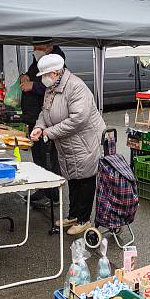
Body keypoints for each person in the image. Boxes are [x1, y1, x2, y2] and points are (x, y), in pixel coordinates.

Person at [31, 54, 106, 236]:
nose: (43, 79)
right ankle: (73, 215)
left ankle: (84, 219)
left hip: (84, 141)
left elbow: (78, 119)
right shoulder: (53, 87)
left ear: (56, 73)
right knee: (73, 178)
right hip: (67, 142)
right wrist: (39, 127)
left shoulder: (75, 86)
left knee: (85, 179)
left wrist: (49, 132)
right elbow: (45, 111)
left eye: (45, 75)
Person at [20, 38, 67, 209]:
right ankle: (42, 188)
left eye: (38, 47)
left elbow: (54, 87)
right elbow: (33, 75)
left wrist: (33, 86)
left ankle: (53, 195)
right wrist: (25, 76)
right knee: (38, 156)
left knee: (50, 158)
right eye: (33, 46)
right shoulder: (38, 60)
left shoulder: (57, 63)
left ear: (49, 47)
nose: (34, 50)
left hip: (48, 120)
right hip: (34, 116)